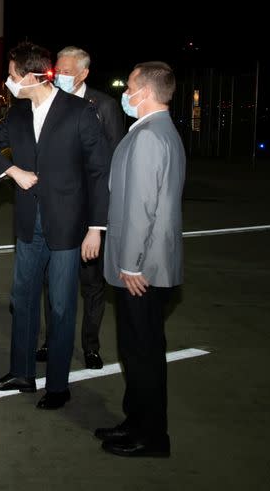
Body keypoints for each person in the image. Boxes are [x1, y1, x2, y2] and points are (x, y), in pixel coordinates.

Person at [0, 41, 110, 410]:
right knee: (22, 299)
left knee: (62, 306)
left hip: (68, 226)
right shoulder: (18, 113)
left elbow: (100, 173)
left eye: (12, 75)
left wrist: (96, 227)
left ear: (32, 76)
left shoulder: (80, 112)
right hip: (27, 223)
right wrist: (11, 170)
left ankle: (57, 386)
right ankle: (21, 372)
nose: (8, 81)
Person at [96, 62, 184, 457]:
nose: (125, 91)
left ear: (146, 91)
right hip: (145, 264)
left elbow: (140, 207)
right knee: (135, 350)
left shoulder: (150, 136)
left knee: (143, 354)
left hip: (142, 269)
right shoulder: (156, 131)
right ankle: (135, 422)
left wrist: (131, 263)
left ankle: (151, 437)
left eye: (129, 85)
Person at [36, 46, 127, 370]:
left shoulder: (105, 106)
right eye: (56, 69)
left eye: (66, 71)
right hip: (57, 209)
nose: (58, 75)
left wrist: (99, 221)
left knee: (91, 284)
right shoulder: (48, 102)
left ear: (84, 73)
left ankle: (90, 346)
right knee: (54, 281)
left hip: (89, 213)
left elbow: (113, 163)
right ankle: (52, 340)